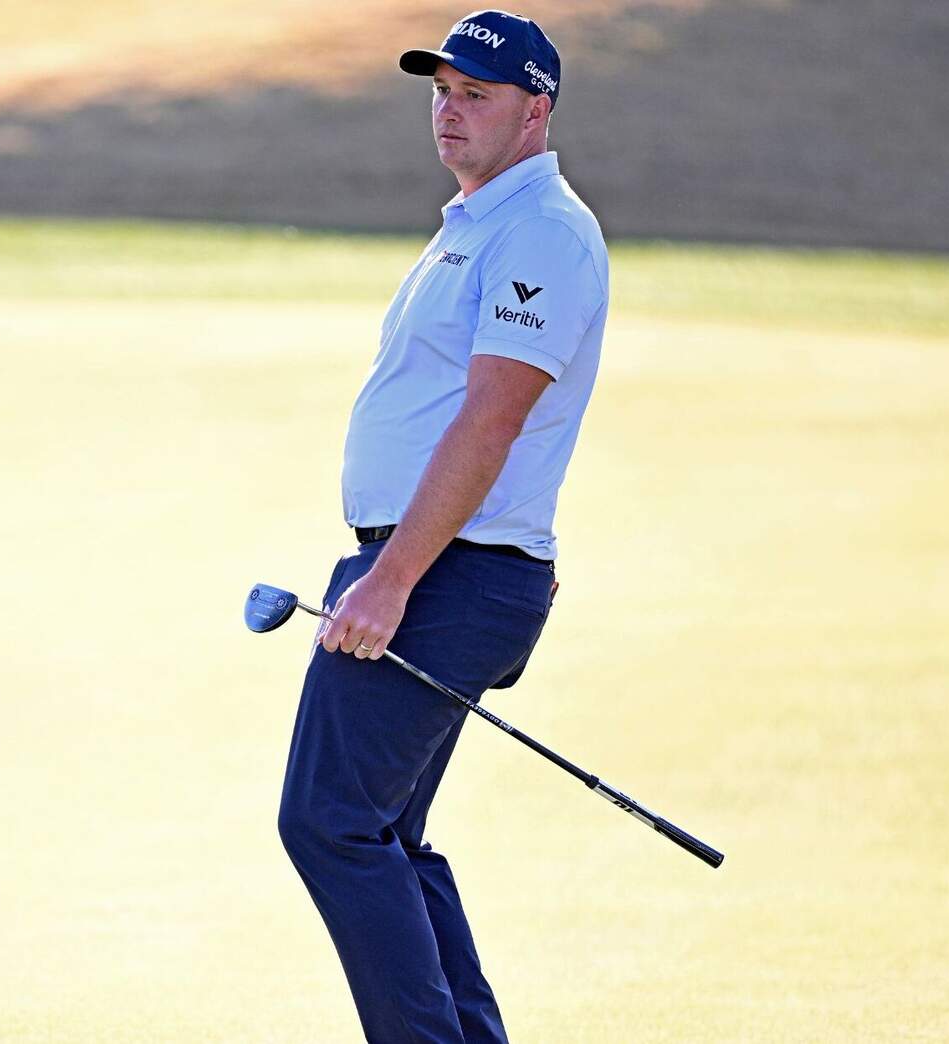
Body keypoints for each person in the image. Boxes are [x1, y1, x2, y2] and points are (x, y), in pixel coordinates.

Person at [275, 10, 609, 1043]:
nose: (449, 112)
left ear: (535, 109)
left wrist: (390, 581)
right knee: (384, 832)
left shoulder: (539, 233)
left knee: (329, 822)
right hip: (434, 568)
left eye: (476, 94)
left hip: (444, 573)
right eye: (440, 91)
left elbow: (491, 416)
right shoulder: (473, 226)